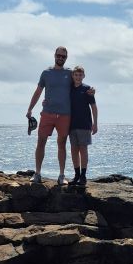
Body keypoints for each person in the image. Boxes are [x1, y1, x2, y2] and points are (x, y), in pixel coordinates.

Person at [26, 47, 72, 185]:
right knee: (41, 142)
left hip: (65, 115)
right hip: (47, 113)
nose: (61, 58)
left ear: (66, 58)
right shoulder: (46, 73)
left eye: (63, 56)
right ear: (54, 56)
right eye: (59, 55)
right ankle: (37, 173)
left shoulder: (70, 73)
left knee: (62, 144)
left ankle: (62, 175)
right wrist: (30, 109)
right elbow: (38, 91)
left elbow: (79, 86)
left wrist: (90, 91)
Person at [67, 65, 97, 188]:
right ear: (72, 76)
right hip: (71, 124)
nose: (78, 77)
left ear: (83, 76)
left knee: (83, 149)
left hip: (84, 124)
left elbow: (94, 107)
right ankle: (77, 175)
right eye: (76, 75)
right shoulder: (69, 88)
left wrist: (95, 123)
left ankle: (83, 176)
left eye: (80, 75)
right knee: (74, 149)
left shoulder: (87, 89)